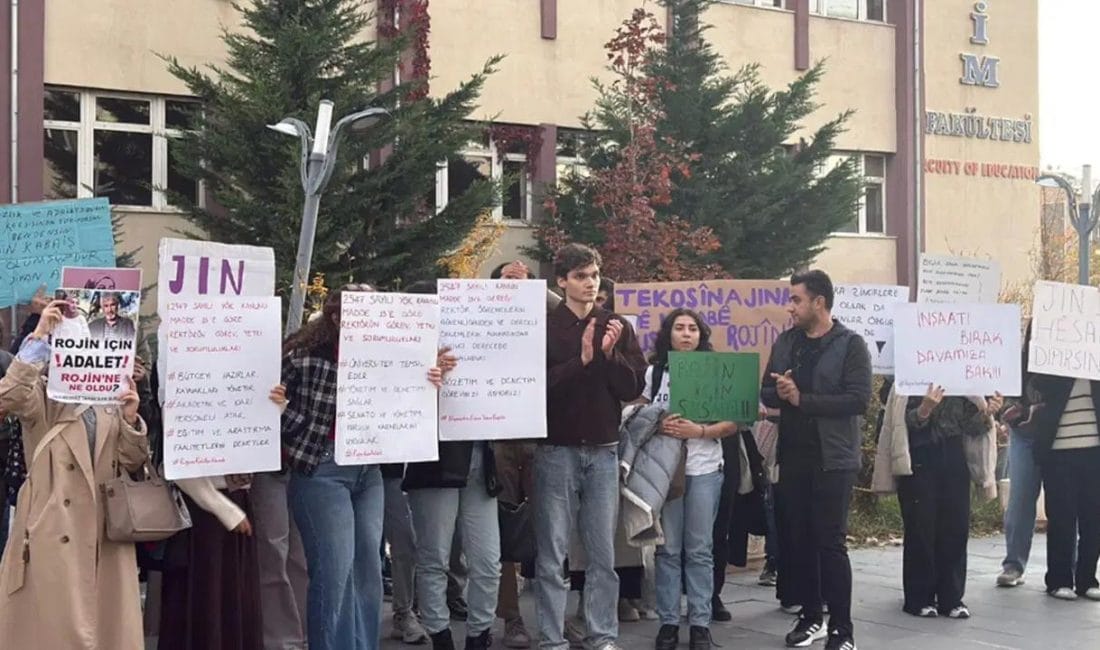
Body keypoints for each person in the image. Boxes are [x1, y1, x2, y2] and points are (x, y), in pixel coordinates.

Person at [280, 284, 449, 650]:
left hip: (369, 471)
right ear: (337, 317)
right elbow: (274, 407)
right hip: (322, 469)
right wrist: (306, 429)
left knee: (368, 570)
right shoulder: (306, 354)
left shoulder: (392, 357)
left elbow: (410, 404)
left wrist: (430, 382)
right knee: (334, 571)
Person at [0, 299, 149, 649]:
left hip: (103, 535)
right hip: (50, 530)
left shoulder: (113, 392)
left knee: (102, 631)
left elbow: (132, 462)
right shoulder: (43, 392)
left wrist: (130, 418)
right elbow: (7, 398)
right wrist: (37, 337)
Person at [536, 243, 647, 650]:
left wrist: (608, 355)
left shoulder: (616, 325)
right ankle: (551, 637)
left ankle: (601, 635)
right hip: (556, 450)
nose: (589, 283)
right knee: (552, 553)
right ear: (561, 281)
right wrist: (580, 361)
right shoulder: (546, 327)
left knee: (602, 554)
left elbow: (633, 387)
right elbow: (536, 389)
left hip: (603, 450)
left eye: (594, 275)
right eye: (580, 276)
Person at [761, 270, 870, 650]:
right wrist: (780, 391)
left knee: (830, 542)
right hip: (793, 454)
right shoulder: (787, 341)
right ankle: (811, 617)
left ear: (819, 302)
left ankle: (842, 629)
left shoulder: (850, 344)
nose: (790, 307)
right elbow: (767, 392)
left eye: (796, 300)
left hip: (834, 458)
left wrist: (802, 399)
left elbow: (858, 400)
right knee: (799, 539)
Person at [400, 279, 499, 650]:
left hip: (480, 461)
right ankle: (440, 635)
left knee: (487, 560)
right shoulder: (405, 352)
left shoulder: (479, 339)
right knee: (434, 557)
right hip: (435, 464)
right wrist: (424, 378)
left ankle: (479, 635)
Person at [640, 309, 741, 650]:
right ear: (668, 334)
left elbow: (733, 422)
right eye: (679, 328)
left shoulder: (715, 371)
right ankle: (668, 623)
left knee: (700, 549)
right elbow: (636, 413)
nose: (686, 334)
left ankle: (700, 623)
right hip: (666, 473)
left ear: (701, 335)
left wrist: (699, 430)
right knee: (667, 549)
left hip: (705, 468)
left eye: (692, 329)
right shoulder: (655, 373)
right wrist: (657, 423)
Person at [891, 384, 1001, 618]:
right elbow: (898, 420)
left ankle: (952, 597)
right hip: (919, 454)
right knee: (921, 525)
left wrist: (987, 412)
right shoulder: (910, 370)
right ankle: (919, 597)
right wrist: (925, 408)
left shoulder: (963, 378)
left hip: (953, 454)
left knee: (956, 525)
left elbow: (971, 427)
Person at [1013, 322, 1100, 601]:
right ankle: (1059, 579)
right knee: (1061, 516)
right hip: (1058, 449)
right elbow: (1036, 384)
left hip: (1094, 449)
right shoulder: (1052, 363)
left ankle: (1087, 578)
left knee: (1093, 518)